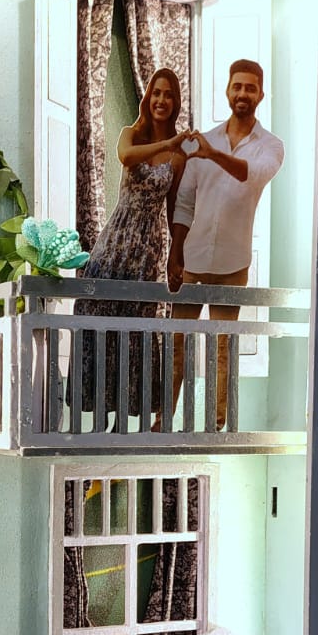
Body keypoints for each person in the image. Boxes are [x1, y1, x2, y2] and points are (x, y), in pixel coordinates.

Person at [167, 59, 285, 430]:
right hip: (193, 257)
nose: (243, 93)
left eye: (250, 87)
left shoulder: (270, 146)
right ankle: (164, 417)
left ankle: (216, 423)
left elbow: (252, 176)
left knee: (223, 346)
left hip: (233, 263)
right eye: (238, 86)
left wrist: (213, 154)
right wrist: (175, 254)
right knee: (177, 342)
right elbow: (184, 203)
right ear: (227, 91)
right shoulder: (206, 140)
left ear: (261, 94)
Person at [77, 67, 190, 420]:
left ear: (175, 102)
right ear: (148, 97)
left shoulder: (179, 158)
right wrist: (169, 142)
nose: (161, 100)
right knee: (95, 312)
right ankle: (97, 414)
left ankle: (125, 421)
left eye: (168, 95)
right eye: (156, 92)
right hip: (116, 238)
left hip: (147, 246)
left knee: (136, 326)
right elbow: (126, 157)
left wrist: (175, 257)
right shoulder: (132, 135)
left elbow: (174, 210)